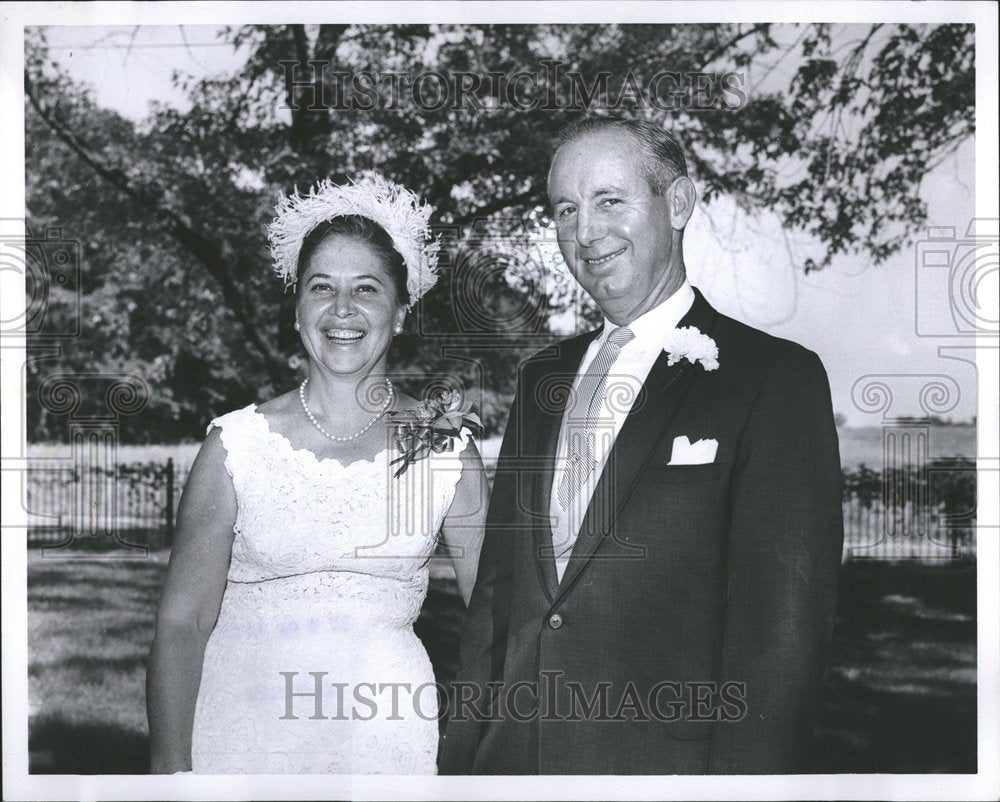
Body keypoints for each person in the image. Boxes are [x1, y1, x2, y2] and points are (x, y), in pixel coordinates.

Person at [439, 117, 844, 775]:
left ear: (677, 203)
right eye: (565, 209)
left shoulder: (772, 378)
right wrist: (460, 766)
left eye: (609, 200)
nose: (585, 230)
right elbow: (498, 595)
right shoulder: (541, 377)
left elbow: (780, 639)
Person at [147, 174, 488, 774]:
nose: (342, 310)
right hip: (241, 737)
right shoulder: (234, 447)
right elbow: (181, 623)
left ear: (401, 312)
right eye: (321, 287)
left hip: (388, 745)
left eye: (367, 289)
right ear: (297, 308)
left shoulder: (447, 448)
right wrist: (171, 774)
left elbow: (498, 620)